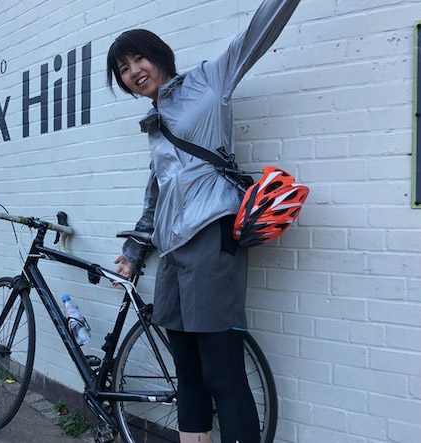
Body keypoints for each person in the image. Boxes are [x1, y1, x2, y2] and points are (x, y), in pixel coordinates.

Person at [107, 1, 300, 442]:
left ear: (158, 55)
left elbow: (258, 30)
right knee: (187, 374)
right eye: (122, 68)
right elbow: (157, 192)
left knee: (222, 372)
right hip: (173, 255)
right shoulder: (155, 125)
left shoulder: (209, 80)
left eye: (138, 58)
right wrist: (134, 253)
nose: (134, 70)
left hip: (212, 239)